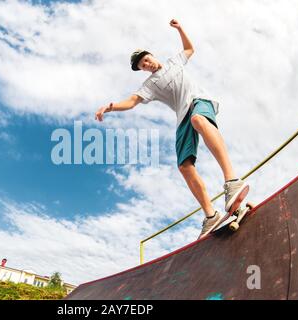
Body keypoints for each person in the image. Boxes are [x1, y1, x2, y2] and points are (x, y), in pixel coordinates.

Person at [94, 18, 249, 239]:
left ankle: (232, 182)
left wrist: (180, 28)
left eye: (147, 59)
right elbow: (132, 101)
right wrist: (110, 107)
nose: (147, 64)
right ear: (141, 70)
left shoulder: (174, 62)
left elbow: (189, 48)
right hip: (182, 115)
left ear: (152, 56)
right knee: (184, 166)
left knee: (199, 120)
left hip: (199, 100)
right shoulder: (149, 85)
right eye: (142, 65)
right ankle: (210, 215)